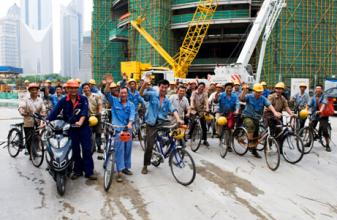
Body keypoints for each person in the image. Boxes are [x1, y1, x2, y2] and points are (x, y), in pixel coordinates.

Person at [48, 80, 97, 180]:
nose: (73, 90)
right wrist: (46, 121)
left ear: (77, 89)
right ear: (67, 89)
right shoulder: (63, 100)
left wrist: (80, 121)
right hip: (71, 128)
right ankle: (77, 170)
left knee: (87, 150)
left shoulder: (83, 99)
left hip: (83, 128)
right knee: (75, 150)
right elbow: (54, 112)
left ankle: (89, 172)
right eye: (71, 88)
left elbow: (84, 112)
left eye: (75, 88)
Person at [139, 78, 184, 175]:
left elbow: (173, 109)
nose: (164, 89)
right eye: (162, 87)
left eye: (165, 88)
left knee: (175, 127)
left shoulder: (167, 100)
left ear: (168, 89)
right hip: (151, 123)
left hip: (162, 122)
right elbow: (141, 94)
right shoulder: (152, 95)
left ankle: (166, 143)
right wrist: (144, 84)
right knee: (149, 145)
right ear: (159, 87)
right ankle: (145, 165)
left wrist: (178, 119)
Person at [240, 83, 282, 158]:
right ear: (254, 91)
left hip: (257, 118)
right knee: (250, 125)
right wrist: (244, 91)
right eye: (257, 92)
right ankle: (249, 143)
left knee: (257, 135)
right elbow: (242, 98)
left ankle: (254, 150)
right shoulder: (249, 96)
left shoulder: (263, 99)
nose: (259, 93)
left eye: (260, 92)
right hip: (247, 116)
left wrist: (275, 112)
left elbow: (269, 105)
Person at [105, 82, 135, 182]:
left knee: (128, 148)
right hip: (117, 129)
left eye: (125, 93)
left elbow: (132, 115)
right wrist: (108, 84)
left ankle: (126, 167)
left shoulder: (131, 104)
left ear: (127, 94)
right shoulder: (114, 101)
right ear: (119, 93)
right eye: (121, 93)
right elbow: (106, 93)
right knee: (120, 149)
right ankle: (119, 171)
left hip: (128, 128)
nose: (123, 95)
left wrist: (130, 123)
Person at [18, 83, 46, 157]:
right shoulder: (25, 99)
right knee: (29, 138)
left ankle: (35, 151)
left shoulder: (40, 99)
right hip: (28, 121)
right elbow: (21, 106)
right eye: (32, 90)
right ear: (29, 91)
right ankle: (31, 153)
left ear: (38, 91)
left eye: (36, 90)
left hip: (37, 121)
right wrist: (22, 111)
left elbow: (43, 108)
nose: (34, 91)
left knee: (37, 137)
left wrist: (43, 113)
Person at [215, 82, 240, 150]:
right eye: (228, 88)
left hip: (230, 114)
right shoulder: (221, 95)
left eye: (230, 88)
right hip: (221, 112)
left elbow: (237, 104)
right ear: (225, 88)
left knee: (229, 129)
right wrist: (216, 95)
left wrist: (237, 110)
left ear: (232, 89)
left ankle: (228, 145)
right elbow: (216, 101)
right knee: (218, 121)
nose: (229, 89)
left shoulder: (234, 96)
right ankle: (219, 134)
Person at [309, 85, 331, 152]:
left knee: (324, 129)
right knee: (310, 127)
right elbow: (309, 104)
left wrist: (320, 111)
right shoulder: (313, 97)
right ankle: (310, 141)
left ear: (321, 90)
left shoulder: (324, 96)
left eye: (319, 90)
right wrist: (306, 109)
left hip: (323, 115)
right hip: (315, 115)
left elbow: (324, 104)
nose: (318, 91)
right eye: (316, 89)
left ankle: (327, 145)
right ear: (315, 90)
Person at [83, 83, 103, 153]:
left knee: (98, 132)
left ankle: (99, 147)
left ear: (90, 88)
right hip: (87, 117)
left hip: (97, 115)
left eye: (87, 87)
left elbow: (100, 105)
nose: (86, 89)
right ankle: (91, 147)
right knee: (88, 133)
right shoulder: (82, 97)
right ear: (83, 89)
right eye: (84, 88)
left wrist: (100, 112)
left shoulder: (96, 96)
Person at [189, 82, 210, 146]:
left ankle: (205, 140)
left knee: (204, 125)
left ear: (204, 88)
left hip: (201, 111)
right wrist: (192, 105)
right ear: (198, 86)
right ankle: (189, 136)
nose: (201, 88)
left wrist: (207, 108)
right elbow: (192, 99)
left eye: (202, 87)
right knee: (193, 123)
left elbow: (206, 101)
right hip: (194, 110)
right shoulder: (194, 92)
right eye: (200, 86)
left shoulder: (205, 94)